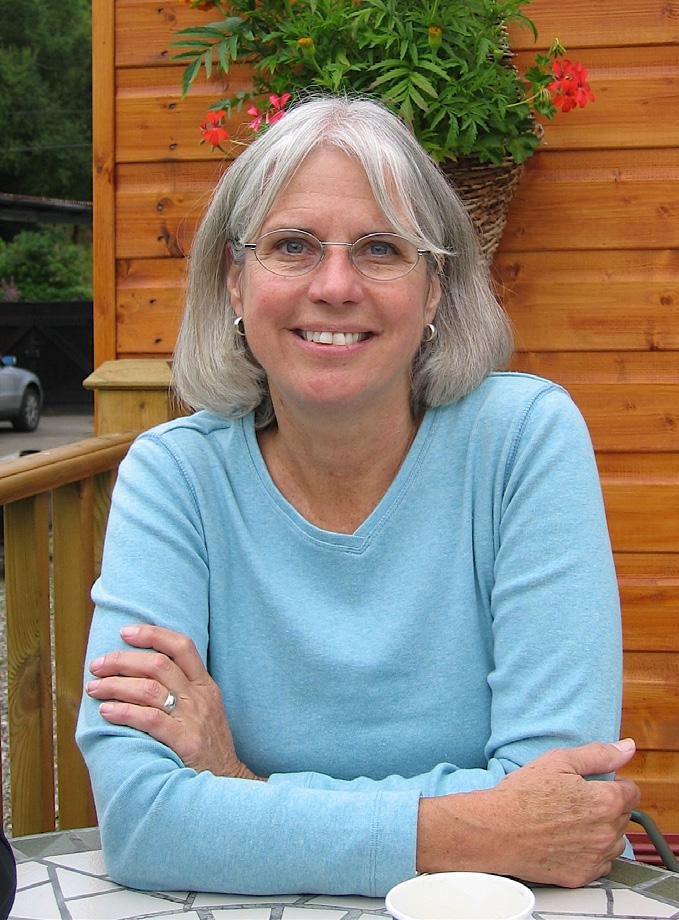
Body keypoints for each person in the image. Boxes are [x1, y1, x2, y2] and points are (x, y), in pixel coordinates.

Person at [77, 95, 639, 898]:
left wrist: (235, 789)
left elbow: (561, 801)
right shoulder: (174, 480)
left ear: (435, 289)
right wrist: (482, 825)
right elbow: (141, 822)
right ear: (234, 281)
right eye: (292, 246)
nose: (335, 285)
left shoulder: (521, 442)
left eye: (380, 248)